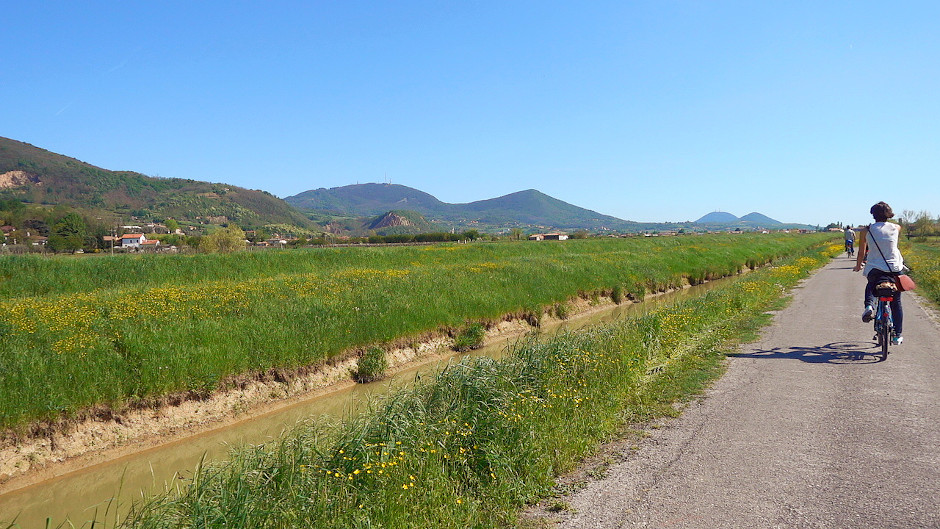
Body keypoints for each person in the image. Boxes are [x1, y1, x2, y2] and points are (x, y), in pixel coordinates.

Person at [853, 201, 905, 345]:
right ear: (888, 214)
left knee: (872, 284)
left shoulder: (866, 230)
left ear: (872, 214)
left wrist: (858, 266)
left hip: (875, 267)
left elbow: (861, 252)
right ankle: (897, 335)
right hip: (894, 268)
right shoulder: (896, 227)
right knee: (896, 300)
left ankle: (869, 306)